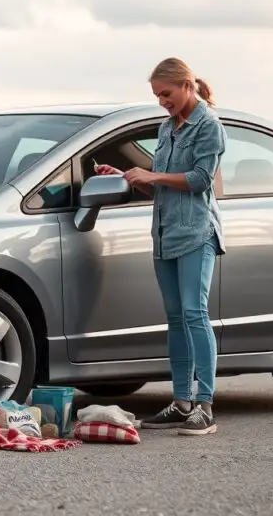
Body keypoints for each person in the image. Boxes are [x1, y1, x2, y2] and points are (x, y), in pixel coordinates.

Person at [94, 57, 226, 436]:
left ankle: (205, 406)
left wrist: (151, 173)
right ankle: (182, 400)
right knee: (174, 317)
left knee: (194, 313)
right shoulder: (167, 127)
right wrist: (127, 176)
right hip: (165, 234)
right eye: (156, 95)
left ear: (187, 86)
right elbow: (162, 186)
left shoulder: (209, 126)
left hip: (196, 233)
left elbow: (201, 180)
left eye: (165, 94)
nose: (161, 102)